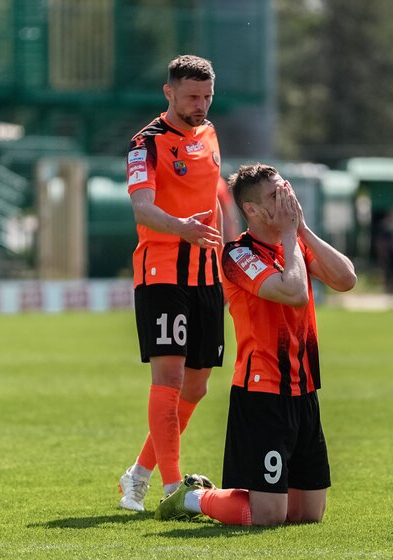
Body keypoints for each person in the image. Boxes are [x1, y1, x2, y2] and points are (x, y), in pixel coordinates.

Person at [156, 163, 356, 526]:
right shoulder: (238, 255)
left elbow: (346, 279)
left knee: (307, 514)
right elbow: (294, 292)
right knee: (268, 515)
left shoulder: (295, 245)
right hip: (262, 392)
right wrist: (292, 234)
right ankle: (193, 497)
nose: (286, 198)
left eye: (286, 189)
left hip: (303, 388)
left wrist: (302, 229)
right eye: (275, 195)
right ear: (252, 209)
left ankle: (214, 495)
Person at [117, 55, 226, 512]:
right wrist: (183, 229)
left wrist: (226, 255)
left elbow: (214, 205)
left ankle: (137, 474)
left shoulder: (210, 133)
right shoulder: (145, 143)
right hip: (161, 272)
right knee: (170, 377)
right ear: (169, 92)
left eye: (207, 96)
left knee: (196, 387)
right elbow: (142, 208)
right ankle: (171, 487)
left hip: (207, 274)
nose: (201, 105)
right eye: (192, 96)